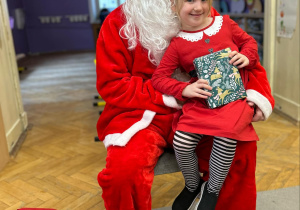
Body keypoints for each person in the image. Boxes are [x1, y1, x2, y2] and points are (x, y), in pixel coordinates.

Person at [95, 0, 274, 210]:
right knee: (122, 173)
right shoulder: (117, 21)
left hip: (206, 109)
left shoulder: (199, 11)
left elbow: (242, 57)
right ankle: (193, 186)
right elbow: (113, 84)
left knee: (241, 151)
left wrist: (256, 98)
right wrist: (175, 94)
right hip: (143, 114)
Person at [151, 0, 271, 209]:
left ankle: (212, 189)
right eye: (189, 1)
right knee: (181, 142)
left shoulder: (225, 23)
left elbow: (249, 43)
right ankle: (193, 184)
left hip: (233, 101)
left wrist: (246, 56)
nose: (198, 7)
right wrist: (184, 89)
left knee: (227, 134)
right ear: (174, 6)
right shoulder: (177, 44)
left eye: (204, 0)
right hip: (201, 104)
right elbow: (159, 78)